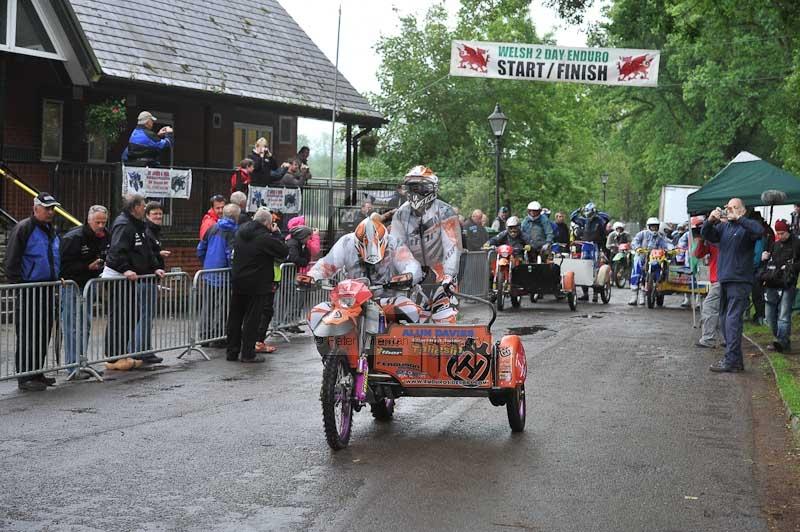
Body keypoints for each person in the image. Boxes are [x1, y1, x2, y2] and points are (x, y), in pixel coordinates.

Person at [307, 215, 424, 330]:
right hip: (352, 301)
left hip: (386, 299)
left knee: (410, 310)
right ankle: (331, 343)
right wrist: (311, 277)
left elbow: (411, 264)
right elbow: (325, 265)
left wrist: (409, 276)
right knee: (316, 313)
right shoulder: (346, 242)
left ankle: (407, 343)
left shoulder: (394, 243)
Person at [390, 165, 462, 323]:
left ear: (431, 188)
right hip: (413, 279)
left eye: (421, 187)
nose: (416, 192)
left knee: (445, 321)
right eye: (412, 187)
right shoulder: (401, 214)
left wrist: (449, 274)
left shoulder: (445, 211)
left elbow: (452, 246)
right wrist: (408, 274)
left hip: (441, 276)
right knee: (410, 325)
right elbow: (397, 247)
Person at [5, 193, 61, 391]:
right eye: (47, 208)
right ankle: (25, 376)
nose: (50, 212)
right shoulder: (24, 228)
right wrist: (20, 285)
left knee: (43, 332)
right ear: (36, 208)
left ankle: (37, 372)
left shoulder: (51, 230)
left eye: (52, 208)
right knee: (29, 333)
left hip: (47, 288)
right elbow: (11, 261)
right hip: (30, 289)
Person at [102, 194, 165, 370]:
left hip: (132, 279)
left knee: (131, 315)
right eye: (143, 205)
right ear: (135, 207)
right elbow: (116, 252)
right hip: (119, 279)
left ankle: (123, 354)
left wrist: (154, 268)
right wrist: (125, 268)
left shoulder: (138, 225)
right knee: (120, 317)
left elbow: (145, 250)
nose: (145, 208)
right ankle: (114, 357)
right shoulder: (124, 225)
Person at [701, 198, 764, 372]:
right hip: (725, 279)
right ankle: (735, 360)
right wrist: (710, 221)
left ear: (743, 211)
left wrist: (740, 218)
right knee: (724, 319)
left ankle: (731, 360)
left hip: (740, 279)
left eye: (735, 208)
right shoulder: (724, 227)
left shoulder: (747, 227)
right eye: (728, 208)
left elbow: (759, 231)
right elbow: (706, 234)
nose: (730, 210)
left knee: (732, 320)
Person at [226, 208, 287, 363]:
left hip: (239, 279)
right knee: (252, 319)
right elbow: (283, 251)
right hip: (258, 283)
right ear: (267, 223)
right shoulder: (265, 237)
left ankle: (232, 352)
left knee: (235, 317)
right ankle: (247, 353)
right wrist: (276, 234)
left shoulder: (241, 231)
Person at [60, 205, 110, 380]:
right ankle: (73, 365)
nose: (101, 225)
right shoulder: (74, 237)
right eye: (97, 222)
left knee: (85, 324)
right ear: (89, 220)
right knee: (72, 326)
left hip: (90, 285)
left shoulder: (105, 236)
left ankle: (81, 361)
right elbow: (63, 266)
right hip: (73, 286)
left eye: (103, 222)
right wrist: (87, 266)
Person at [197, 203, 240, 346]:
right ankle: (218, 336)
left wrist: (206, 264)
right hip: (224, 275)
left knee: (207, 305)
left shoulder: (212, 228)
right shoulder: (233, 231)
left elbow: (201, 248)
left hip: (209, 272)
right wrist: (234, 272)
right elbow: (231, 255)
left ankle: (204, 336)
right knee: (222, 307)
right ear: (236, 216)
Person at [760, 219, 800, 352]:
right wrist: (764, 259)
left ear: (788, 230)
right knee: (770, 316)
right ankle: (780, 338)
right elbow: (768, 263)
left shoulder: (797, 244)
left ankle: (782, 342)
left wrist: (790, 267)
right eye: (778, 233)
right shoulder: (774, 244)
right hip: (771, 283)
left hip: (788, 284)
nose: (780, 235)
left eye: (782, 233)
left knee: (784, 315)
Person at [628, 217, 672, 306]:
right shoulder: (642, 234)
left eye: (656, 227)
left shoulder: (660, 237)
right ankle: (634, 296)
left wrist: (670, 249)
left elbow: (666, 244)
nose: (654, 229)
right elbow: (635, 241)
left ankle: (647, 292)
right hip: (642, 256)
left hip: (655, 258)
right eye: (652, 227)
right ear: (648, 227)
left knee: (661, 266)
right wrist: (637, 248)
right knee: (637, 268)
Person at [571, 202, 607, 301]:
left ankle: (595, 294)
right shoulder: (584, 221)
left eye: (590, 212)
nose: (588, 215)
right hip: (585, 246)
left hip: (595, 246)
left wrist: (598, 212)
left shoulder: (599, 220)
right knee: (584, 268)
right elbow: (573, 217)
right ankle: (585, 293)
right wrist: (578, 210)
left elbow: (607, 218)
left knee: (595, 269)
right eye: (587, 212)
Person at [695, 227, 722, 348]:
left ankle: (709, 339)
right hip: (718, 279)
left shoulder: (720, 238)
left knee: (709, 307)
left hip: (720, 279)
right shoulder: (711, 240)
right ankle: (725, 339)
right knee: (723, 310)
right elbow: (698, 254)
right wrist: (701, 240)